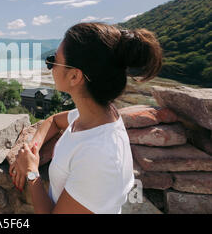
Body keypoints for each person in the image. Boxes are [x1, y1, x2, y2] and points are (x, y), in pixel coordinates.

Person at [9, 22, 163, 214]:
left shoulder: (99, 156)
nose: (50, 67)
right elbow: (55, 120)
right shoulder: (97, 115)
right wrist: (34, 149)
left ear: (74, 76)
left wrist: (32, 172)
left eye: (53, 61)